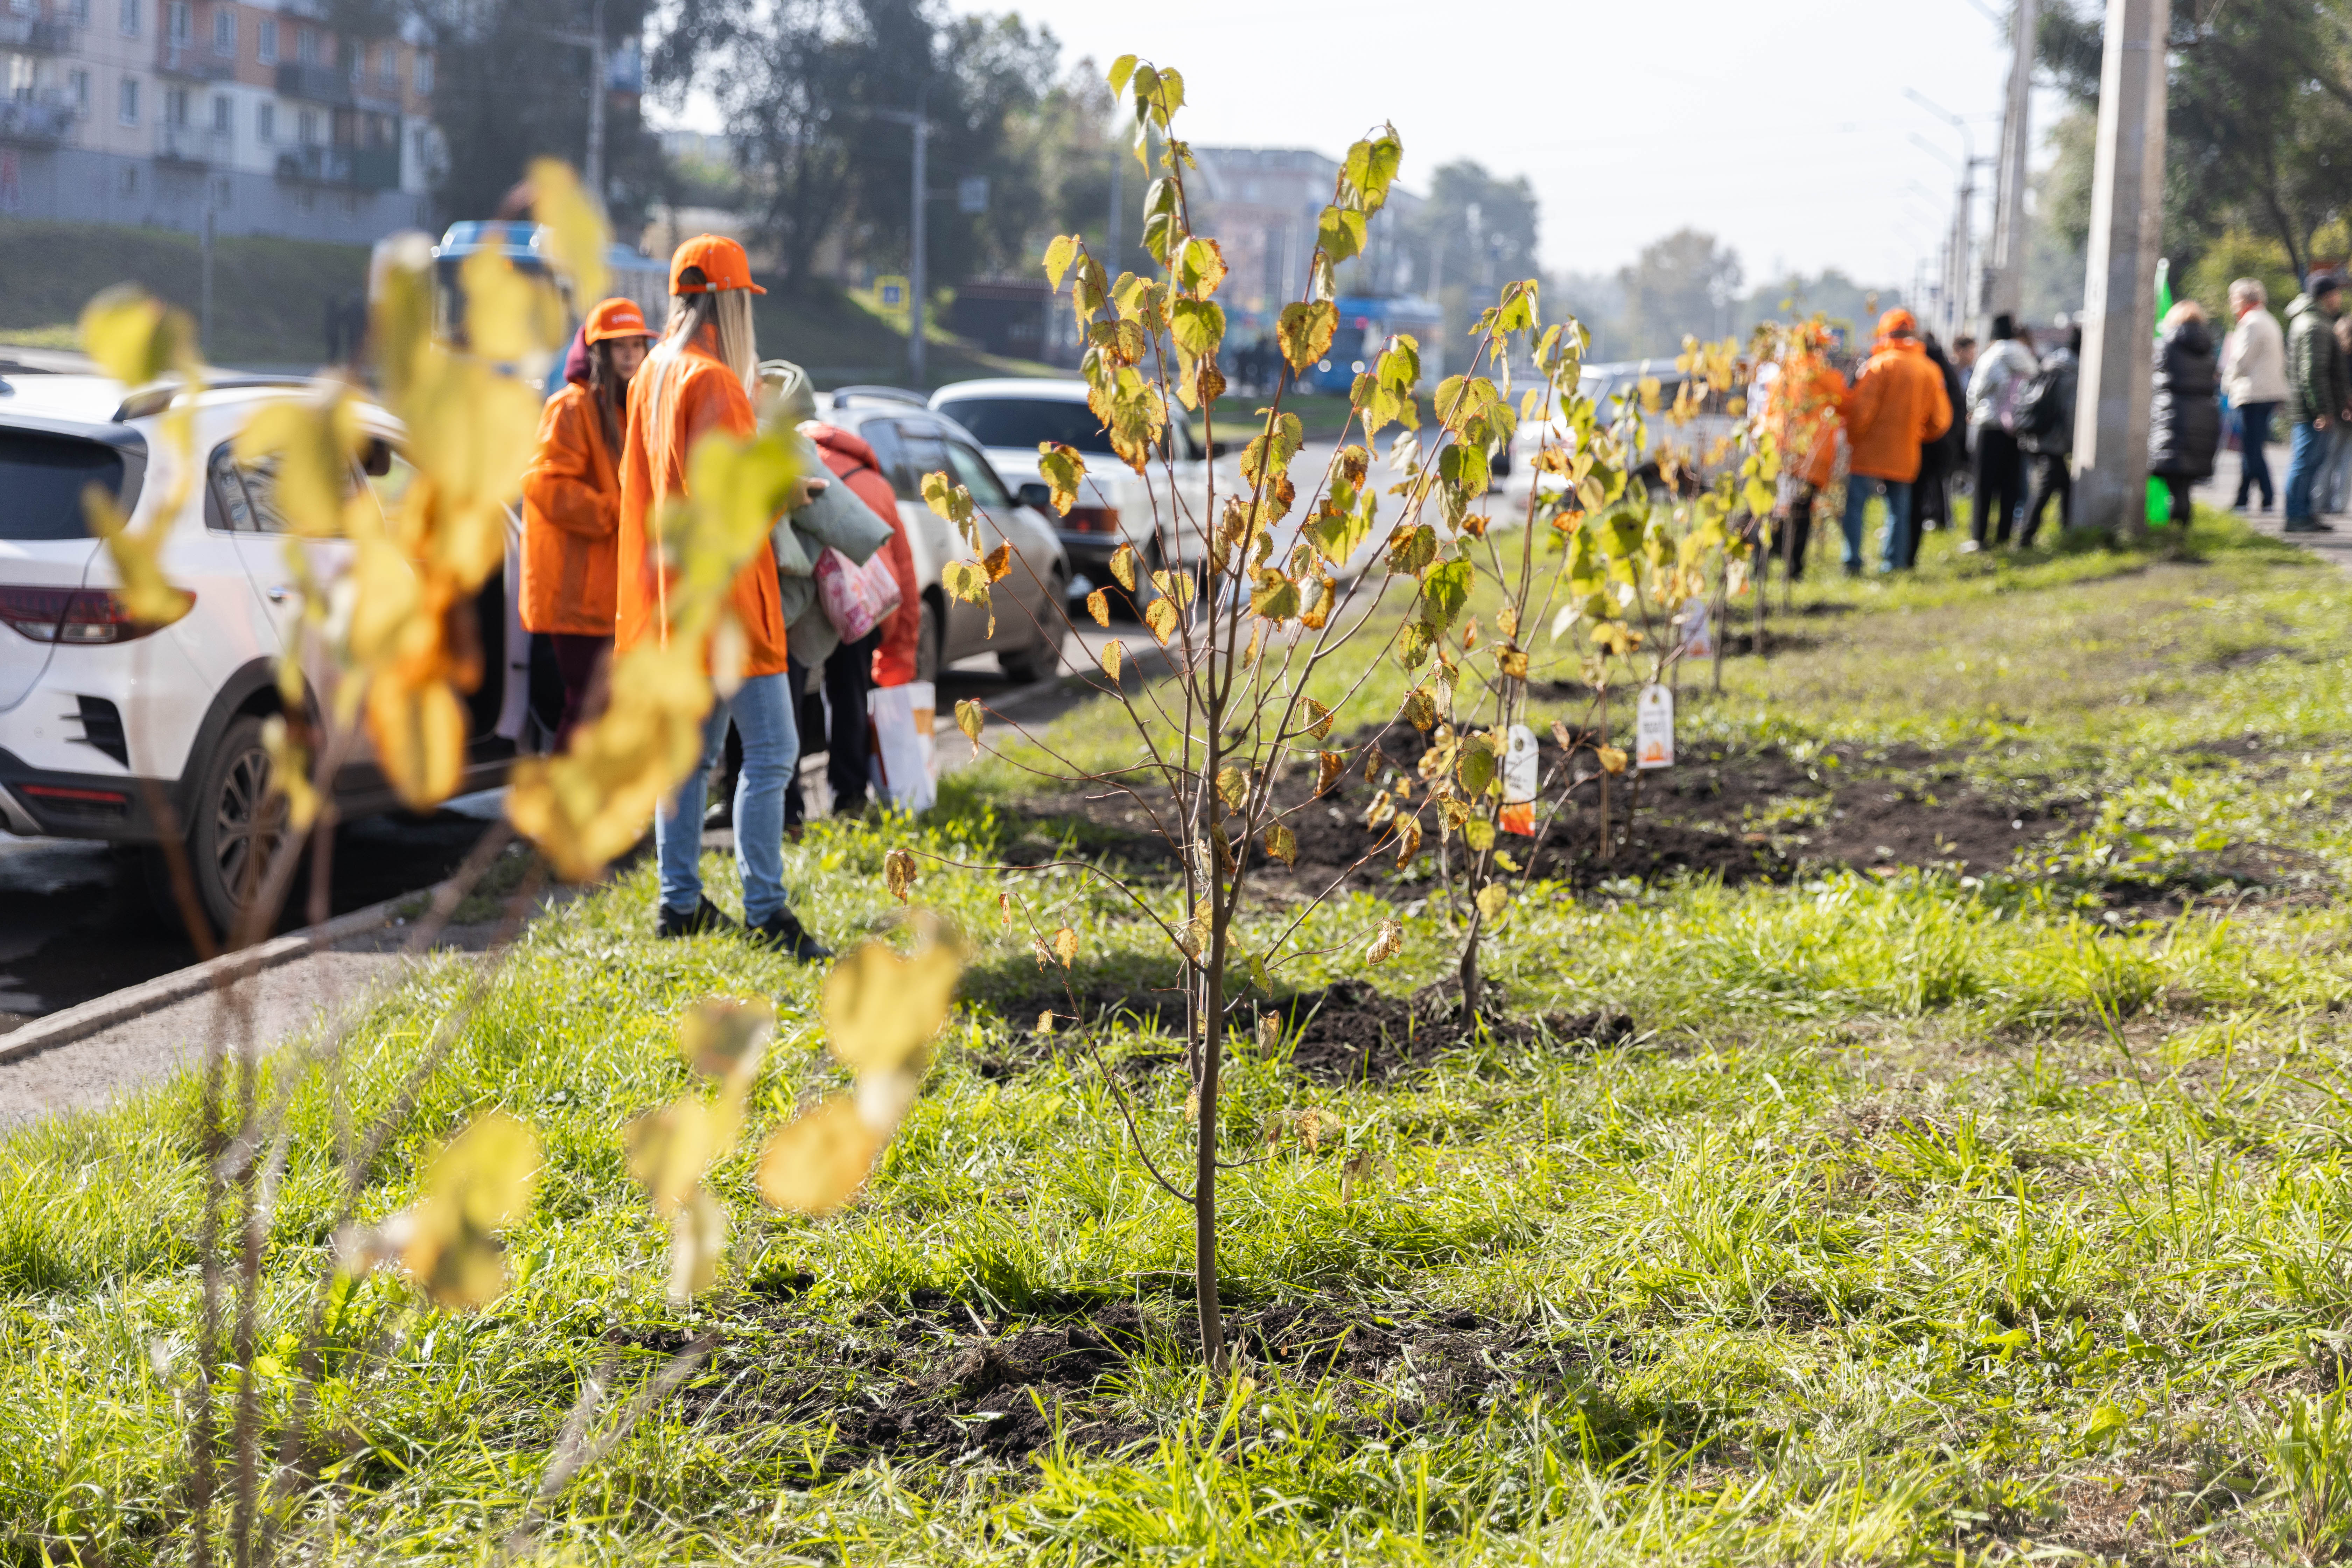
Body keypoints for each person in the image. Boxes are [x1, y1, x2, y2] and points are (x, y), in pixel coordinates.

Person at [617, 233, 831, 955]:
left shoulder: (651, 371)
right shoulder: (713, 380)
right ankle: (767, 912)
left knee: (690, 756)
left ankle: (678, 902)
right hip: (730, 603)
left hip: (676, 600)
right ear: (731, 301)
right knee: (772, 754)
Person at [520, 298, 652, 749]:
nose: (632, 355)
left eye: (638, 345)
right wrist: (618, 511)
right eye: (621, 347)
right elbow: (545, 486)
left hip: (613, 592)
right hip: (577, 594)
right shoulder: (571, 408)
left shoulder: (630, 410)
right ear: (600, 352)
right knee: (586, 708)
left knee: (605, 712)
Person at [1839, 308, 1952, 574]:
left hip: (1868, 451)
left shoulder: (1879, 366)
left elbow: (1861, 413)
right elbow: (1941, 420)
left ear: (1885, 333)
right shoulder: (1930, 369)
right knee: (1899, 510)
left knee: (1856, 507)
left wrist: (1854, 440)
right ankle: (1893, 564)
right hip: (1905, 452)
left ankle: (1852, 562)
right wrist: (1918, 436)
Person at [1766, 323, 1847, 582]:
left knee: (1777, 510)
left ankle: (1762, 563)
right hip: (1811, 457)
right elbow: (1846, 403)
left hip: (1781, 454)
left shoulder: (1783, 373)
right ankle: (1793, 570)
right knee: (1800, 514)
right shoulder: (1824, 374)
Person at [2281, 271, 2349, 533]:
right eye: (2337, 292)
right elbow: (2314, 372)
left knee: (2310, 462)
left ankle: (2303, 513)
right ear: (2327, 296)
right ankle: (2297, 515)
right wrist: (2322, 409)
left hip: (2309, 408)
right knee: (2306, 462)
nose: (2340, 298)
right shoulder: (2315, 326)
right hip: (2312, 411)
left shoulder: (2312, 322)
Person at [1963, 314, 2037, 551]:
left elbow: (1978, 389)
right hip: (2015, 428)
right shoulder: (2026, 355)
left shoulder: (1992, 356)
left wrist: (1973, 409)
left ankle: (1980, 536)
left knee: (1985, 484)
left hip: (1990, 425)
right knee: (2011, 483)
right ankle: (2004, 535)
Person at [2149, 300, 2222, 527]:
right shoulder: (2208, 347)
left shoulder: (2166, 344)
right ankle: (2182, 535)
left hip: (2173, 412)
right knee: (2185, 484)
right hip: (2203, 413)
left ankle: (2173, 537)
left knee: (2174, 482)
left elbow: (2155, 374)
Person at [2221, 278, 2287, 513]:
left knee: (2251, 448)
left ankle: (2265, 496)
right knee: (2252, 447)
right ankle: (2246, 498)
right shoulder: (2268, 319)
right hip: (2267, 392)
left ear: (2242, 300)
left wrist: (2225, 383)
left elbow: (2240, 361)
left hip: (2254, 393)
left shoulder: (2251, 323)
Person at [2015, 322, 2080, 545]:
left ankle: (2066, 532)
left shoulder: (2052, 363)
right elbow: (2070, 412)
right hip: (2053, 439)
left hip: (2037, 433)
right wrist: (2076, 445)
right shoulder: (2072, 372)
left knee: (2065, 486)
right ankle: (2025, 538)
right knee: (2045, 488)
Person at [1912, 331, 1966, 557]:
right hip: (1942, 439)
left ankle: (1941, 519)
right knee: (1938, 483)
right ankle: (1940, 518)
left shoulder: (1929, 368)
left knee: (1932, 486)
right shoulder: (1942, 369)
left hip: (1933, 439)